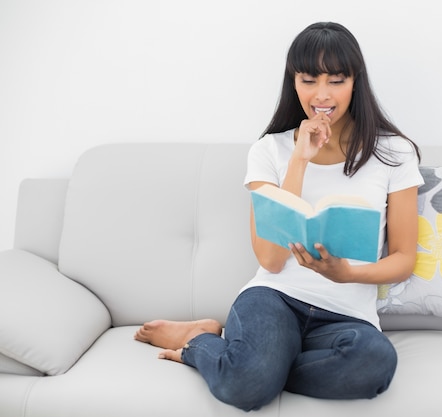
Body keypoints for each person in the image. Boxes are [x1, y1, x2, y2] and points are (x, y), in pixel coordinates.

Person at [134, 21, 423, 411]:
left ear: (356, 82)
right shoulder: (269, 151)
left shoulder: (394, 153)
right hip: (274, 300)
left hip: (347, 317)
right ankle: (201, 344)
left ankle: (241, 357)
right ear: (293, 82)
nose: (322, 94)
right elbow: (270, 259)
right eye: (308, 80)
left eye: (336, 80)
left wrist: (347, 274)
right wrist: (299, 161)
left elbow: (404, 259)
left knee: (375, 365)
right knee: (247, 388)